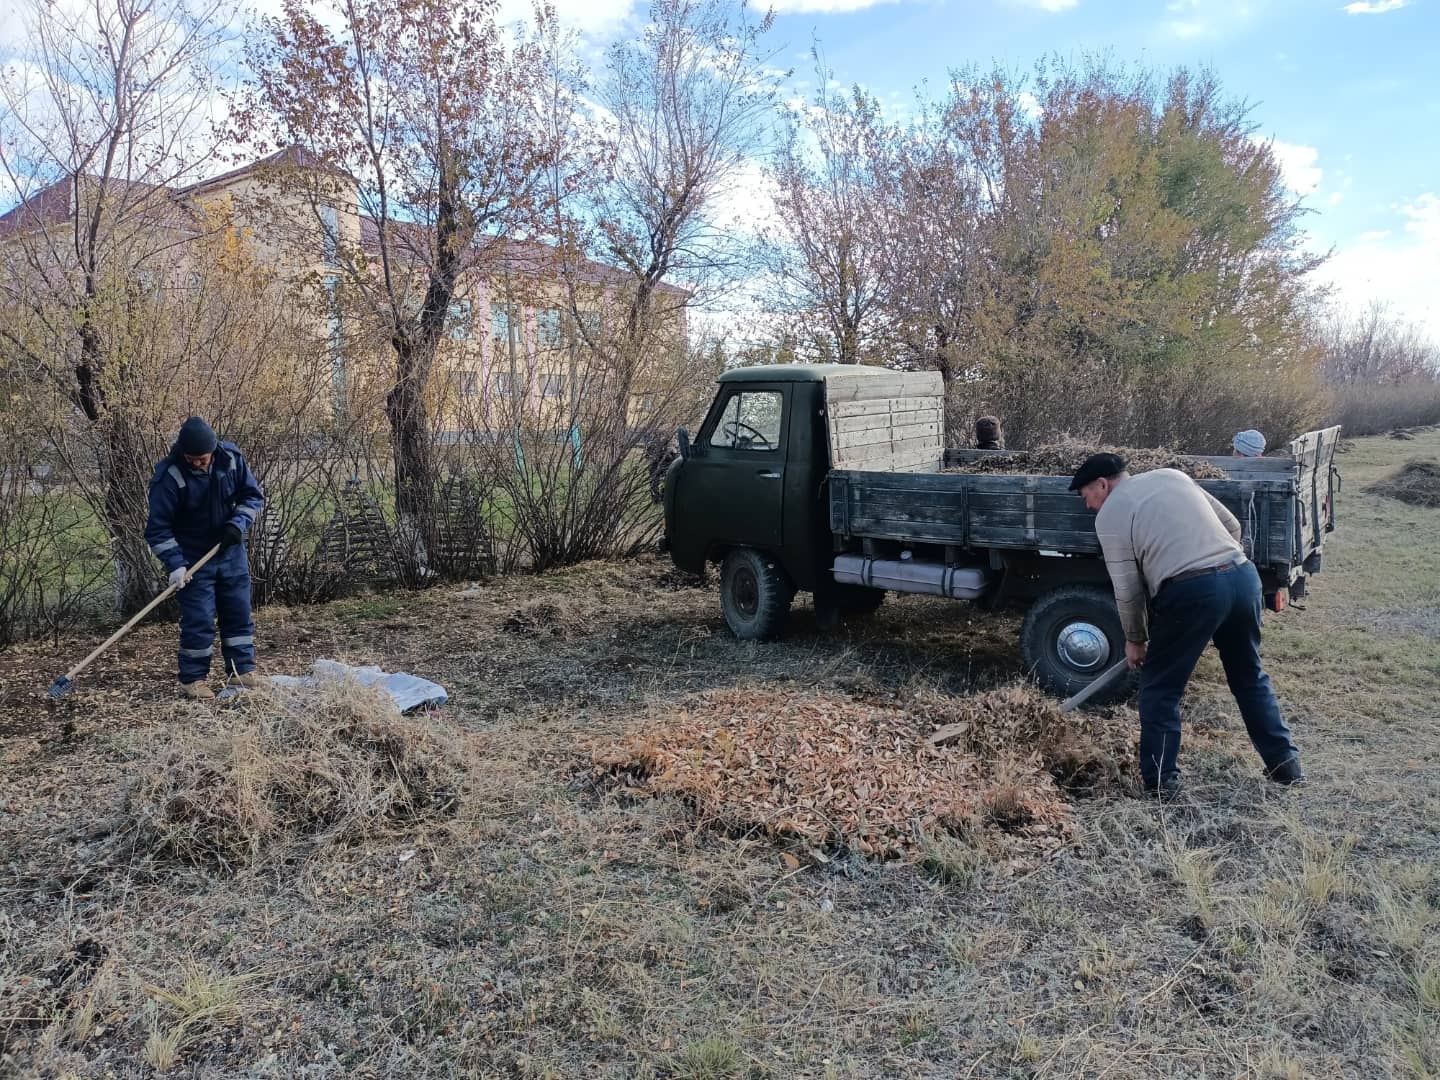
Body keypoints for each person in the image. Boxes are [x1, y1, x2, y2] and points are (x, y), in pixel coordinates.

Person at [1069, 452, 1303, 799]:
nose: (1089, 506)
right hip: (1242, 576)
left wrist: (1135, 639)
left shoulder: (1111, 516)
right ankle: (1286, 767)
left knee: (1160, 690)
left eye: (1087, 496)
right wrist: (1219, 575)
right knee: (1249, 677)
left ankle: (1162, 785)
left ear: (1103, 485)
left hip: (1191, 590)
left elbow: (1128, 589)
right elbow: (1233, 526)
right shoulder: (1172, 476)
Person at [144, 416, 266, 699]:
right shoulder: (169, 476)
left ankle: (241, 671)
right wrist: (175, 564)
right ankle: (192, 680)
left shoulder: (231, 460)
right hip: (192, 559)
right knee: (198, 620)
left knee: (238, 613)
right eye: (192, 459)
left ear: (213, 450)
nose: (198, 463)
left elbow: (253, 497)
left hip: (230, 551)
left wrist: (237, 524)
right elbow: (157, 529)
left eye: (202, 458)